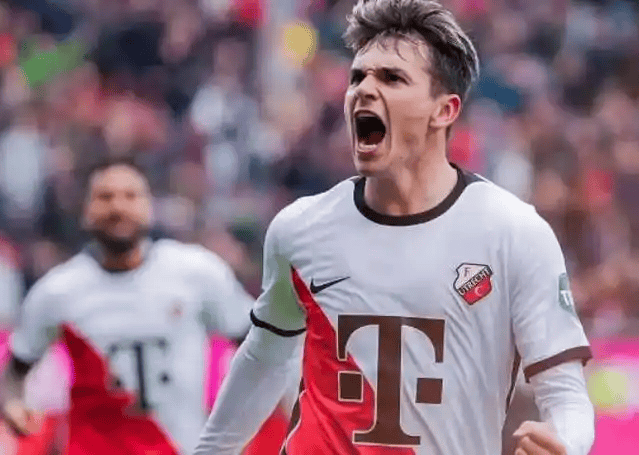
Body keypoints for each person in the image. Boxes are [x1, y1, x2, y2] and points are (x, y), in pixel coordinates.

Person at [194, 1, 595, 454]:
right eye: (357, 77)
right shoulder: (300, 229)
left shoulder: (513, 232)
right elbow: (265, 357)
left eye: (391, 78)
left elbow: (566, 394)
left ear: (444, 110)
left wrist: (565, 444)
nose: (363, 90)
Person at [0, 158, 254, 454]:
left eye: (130, 196)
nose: (118, 207)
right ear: (86, 212)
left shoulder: (197, 272)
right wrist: (12, 405)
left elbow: (260, 345)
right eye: (105, 197)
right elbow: (13, 371)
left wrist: (244, 415)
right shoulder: (58, 290)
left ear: (149, 207)